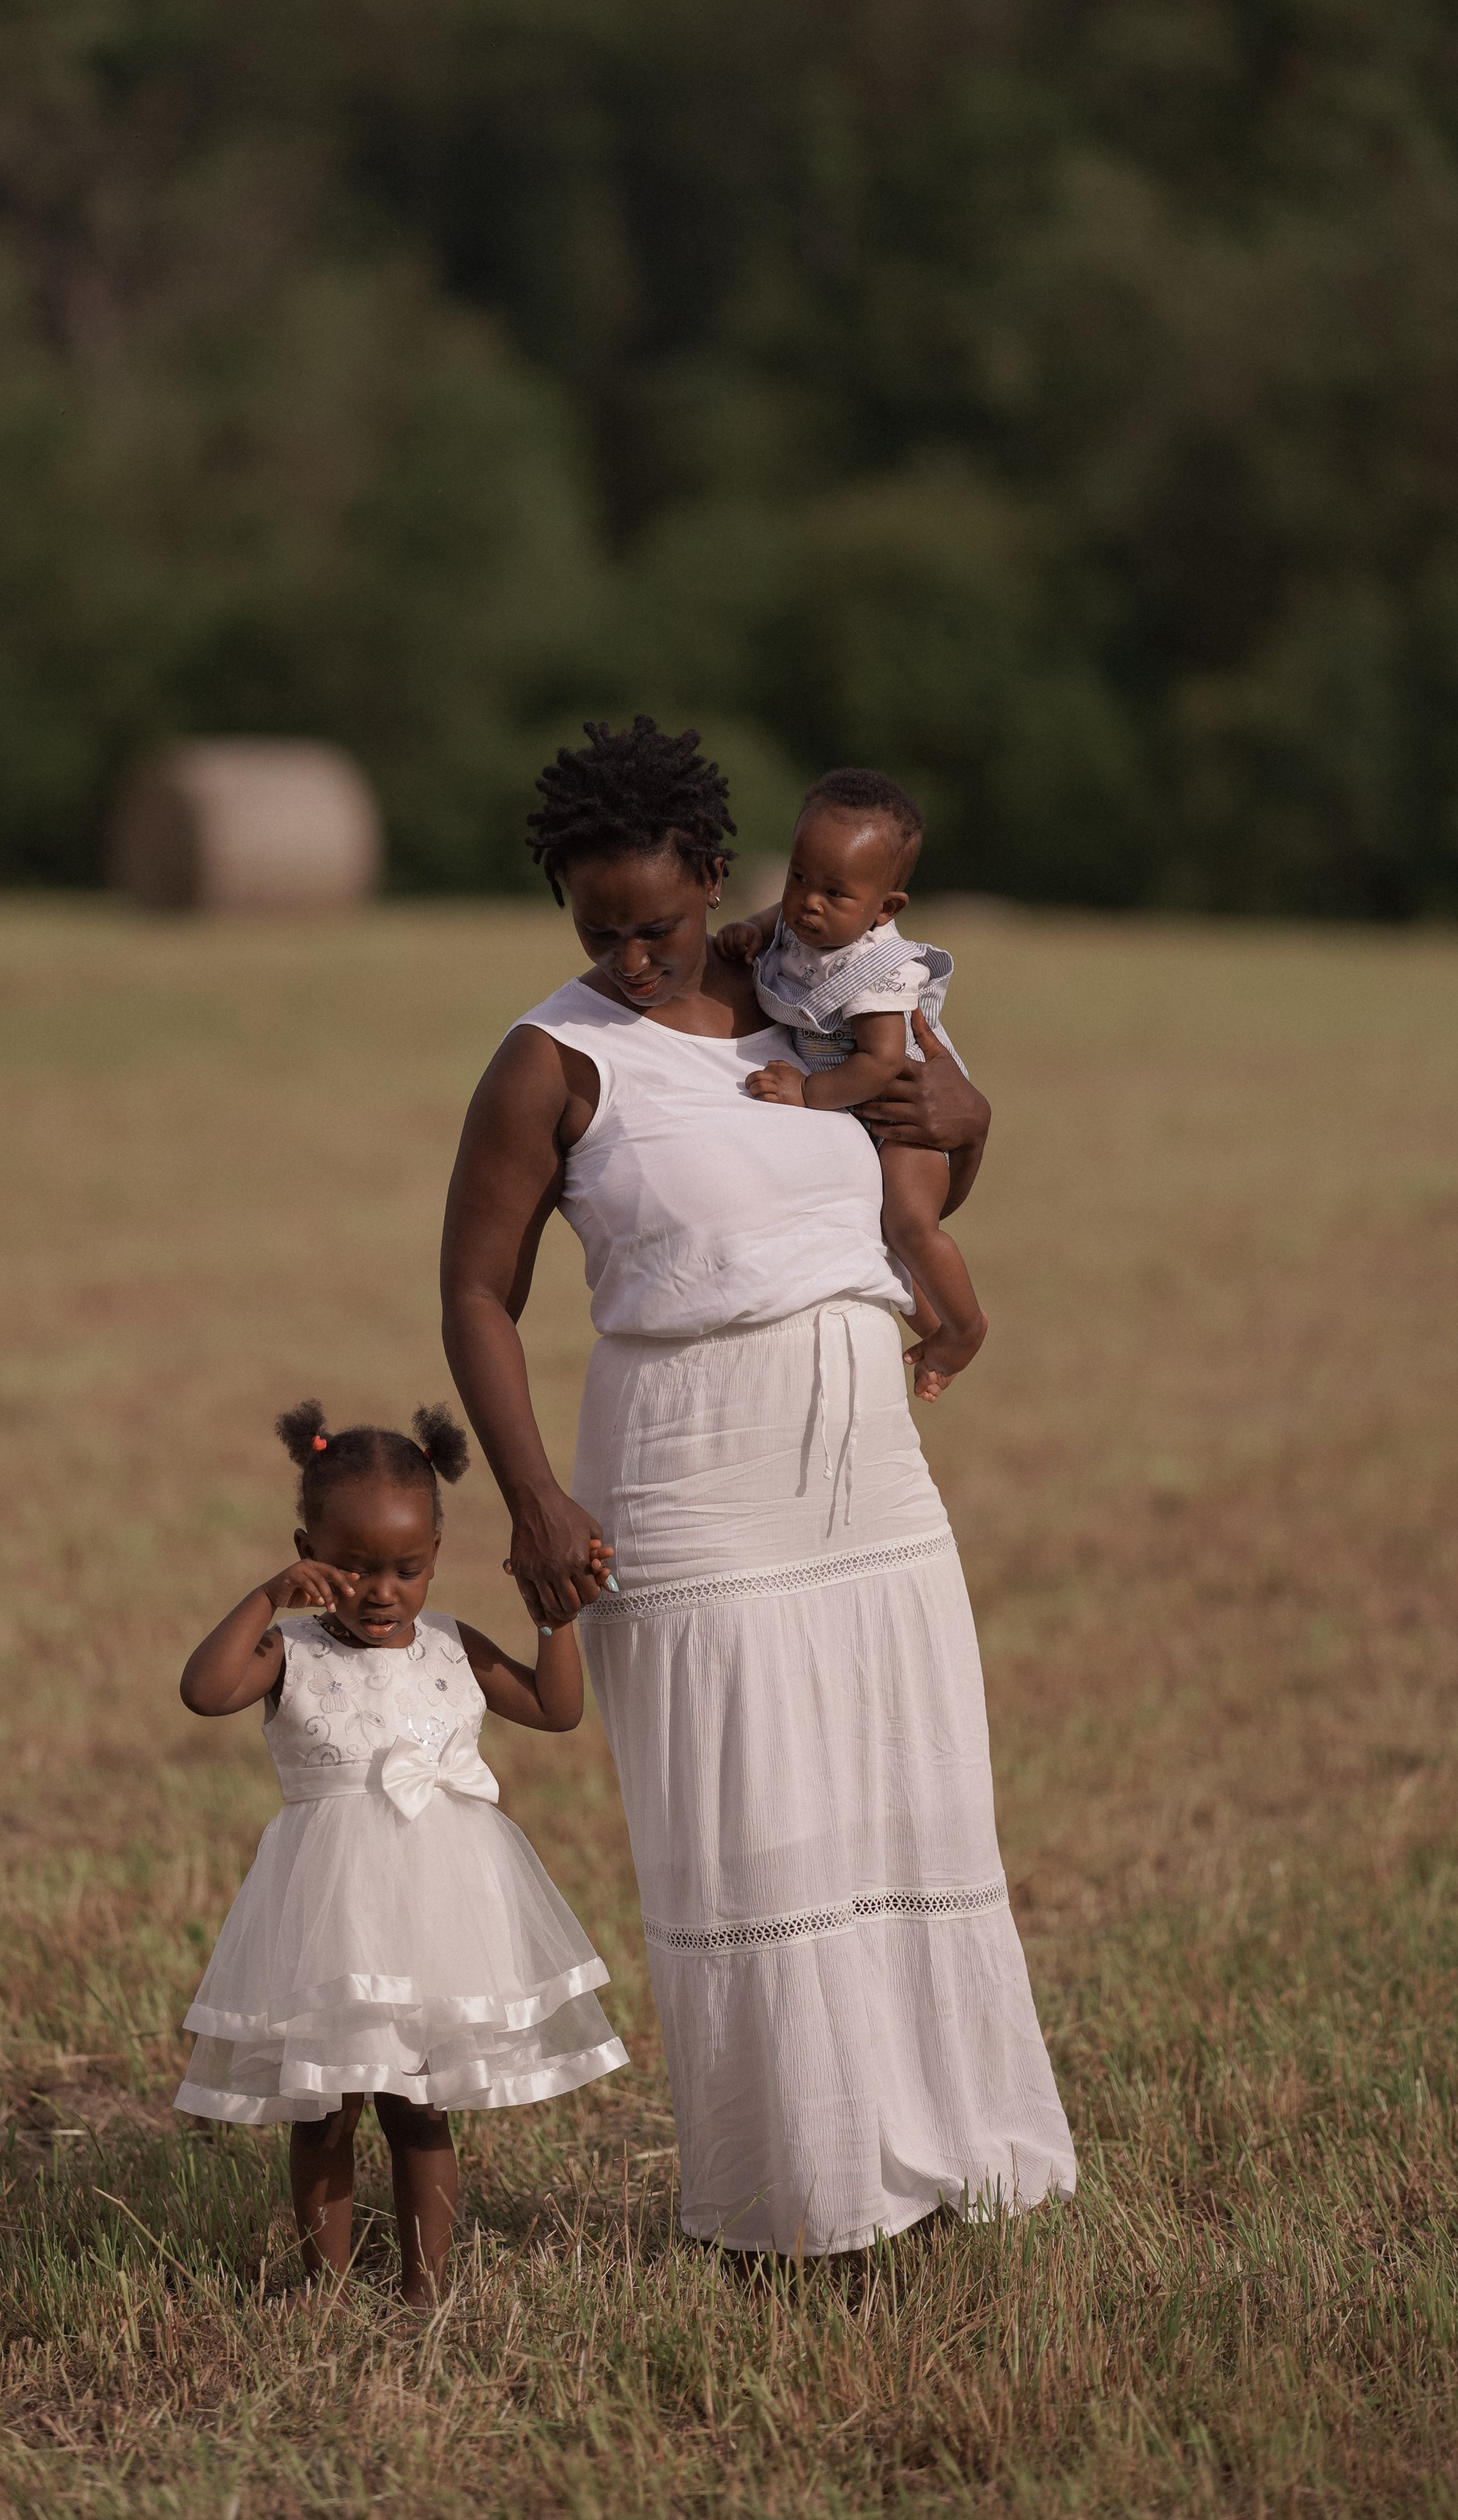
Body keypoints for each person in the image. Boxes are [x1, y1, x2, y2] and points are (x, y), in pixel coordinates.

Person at [440, 715, 1076, 2259]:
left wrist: (972, 1127)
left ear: (713, 875)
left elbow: (926, 1150)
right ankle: (794, 2205)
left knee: (903, 1803)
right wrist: (531, 1500)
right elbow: (473, 1293)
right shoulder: (550, 1060)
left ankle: (941, 2167)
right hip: (686, 1480)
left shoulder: (815, 985)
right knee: (755, 1836)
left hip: (867, 1472)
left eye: (654, 923)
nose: (630, 956)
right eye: (596, 929)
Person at [173, 1398, 628, 2302]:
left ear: (436, 1556)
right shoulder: (288, 1649)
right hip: (330, 1917)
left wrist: (557, 1615)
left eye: (407, 1569)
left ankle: (427, 2289)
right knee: (327, 2110)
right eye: (350, 1566)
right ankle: (327, 2289)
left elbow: (555, 1708)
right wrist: (268, 1594)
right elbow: (203, 1689)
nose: (381, 1589)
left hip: (436, 1914)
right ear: (307, 1547)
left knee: (421, 2107)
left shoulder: (452, 1645)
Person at [716, 766, 986, 1398]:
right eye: (797, 876)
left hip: (909, 1116)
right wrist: (750, 931)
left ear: (884, 909)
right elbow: (776, 921)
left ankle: (965, 1326)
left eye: (833, 893)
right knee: (882, 1237)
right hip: (865, 1109)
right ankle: (933, 1341)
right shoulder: (806, 923)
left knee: (911, 1226)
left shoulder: (877, 971)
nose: (807, 901)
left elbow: (880, 1062)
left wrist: (807, 1094)